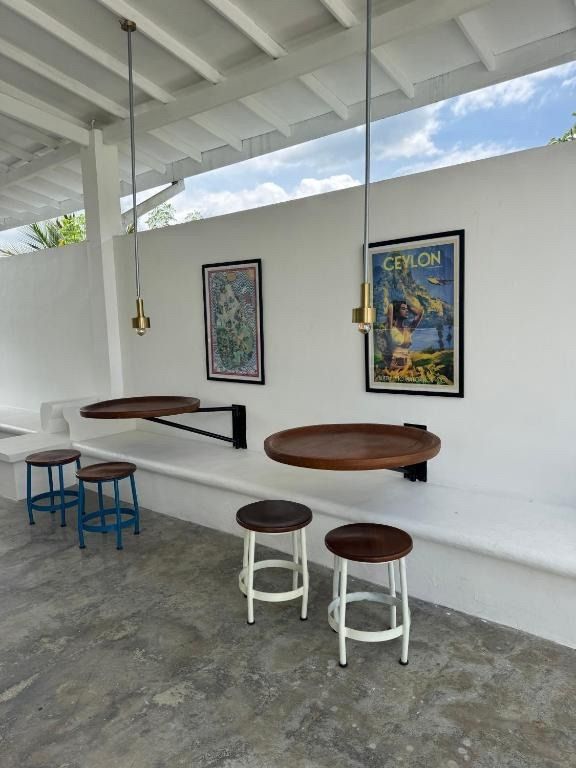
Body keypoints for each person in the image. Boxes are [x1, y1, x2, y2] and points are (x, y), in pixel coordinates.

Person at [385, 297, 423, 370]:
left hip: (408, 367)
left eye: (407, 309)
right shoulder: (390, 329)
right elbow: (390, 307)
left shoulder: (408, 330)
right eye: (403, 309)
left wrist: (408, 307)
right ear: (396, 312)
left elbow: (420, 313)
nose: (407, 311)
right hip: (395, 368)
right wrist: (395, 304)